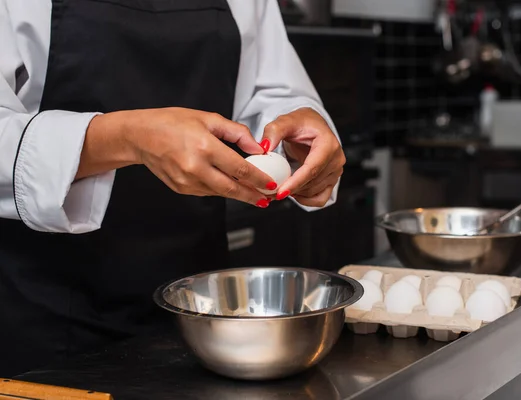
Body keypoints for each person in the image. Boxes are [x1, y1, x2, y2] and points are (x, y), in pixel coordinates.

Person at [0, 0, 345, 376]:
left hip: (206, 318)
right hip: (45, 318)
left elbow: (273, 88)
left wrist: (300, 130)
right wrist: (126, 138)